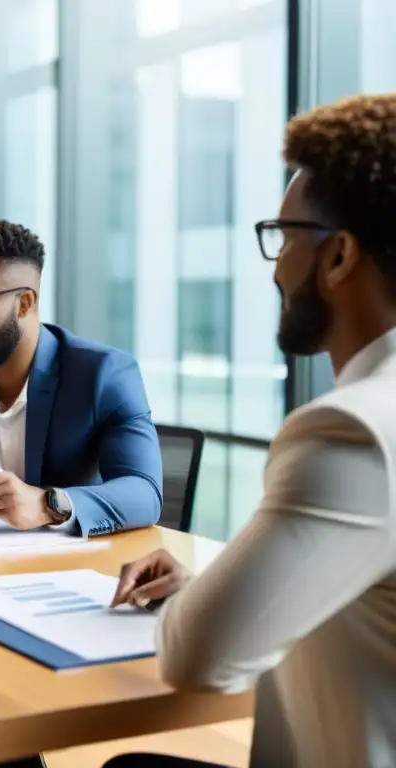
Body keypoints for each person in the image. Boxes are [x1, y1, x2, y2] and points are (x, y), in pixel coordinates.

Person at [106, 94, 396, 768]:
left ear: (339, 257)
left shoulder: (351, 430)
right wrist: (215, 589)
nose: (274, 265)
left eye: (283, 235)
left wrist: (204, 612)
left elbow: (197, 658)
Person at [0, 218, 163, 538]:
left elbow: (145, 493)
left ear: (25, 303)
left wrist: (46, 504)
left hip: (66, 570)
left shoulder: (104, 374)